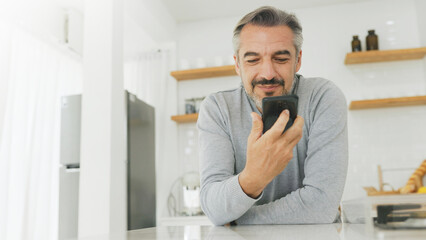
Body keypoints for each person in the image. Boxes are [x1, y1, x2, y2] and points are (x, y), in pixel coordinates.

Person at [197, 6, 348, 225]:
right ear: (237, 65)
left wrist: (238, 220)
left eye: (280, 59)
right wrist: (253, 177)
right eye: (252, 60)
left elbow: (321, 206)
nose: (267, 74)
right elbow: (214, 208)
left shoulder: (323, 97)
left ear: (298, 60)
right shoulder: (217, 108)